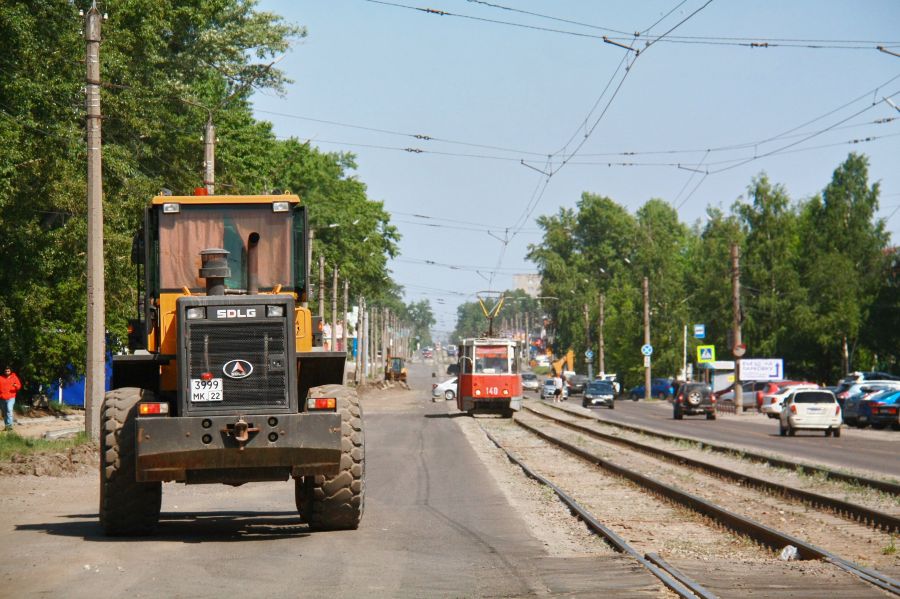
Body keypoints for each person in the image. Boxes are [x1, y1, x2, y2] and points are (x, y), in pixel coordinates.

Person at [0, 365, 22, 431]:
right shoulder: (1, 378)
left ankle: (10, 427)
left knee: (9, 410)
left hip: (11, 397)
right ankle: (7, 426)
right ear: (4, 371)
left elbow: (19, 386)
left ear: (10, 371)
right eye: (6, 371)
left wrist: (16, 386)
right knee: (4, 413)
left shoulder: (14, 377)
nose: (7, 372)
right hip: (2, 398)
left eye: (8, 371)